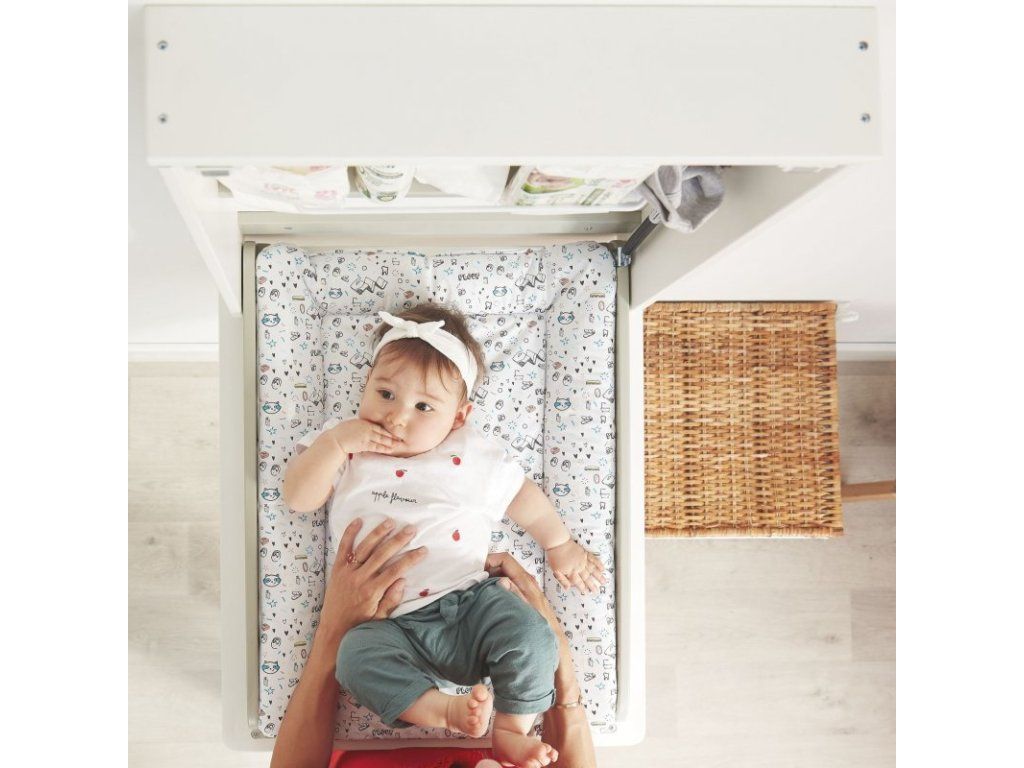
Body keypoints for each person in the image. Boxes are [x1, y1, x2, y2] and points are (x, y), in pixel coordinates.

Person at [283, 303, 606, 767]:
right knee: (354, 657)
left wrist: (560, 544)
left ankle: (511, 729)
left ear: (458, 417)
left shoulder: (471, 453)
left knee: (533, 638)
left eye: (423, 407)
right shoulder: (346, 443)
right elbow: (299, 497)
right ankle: (442, 709)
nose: (396, 417)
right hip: (389, 623)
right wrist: (334, 444)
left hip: (469, 604)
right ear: (365, 385)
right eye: (385, 394)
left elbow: (522, 496)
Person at [269, 518, 598, 768]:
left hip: (389, 652)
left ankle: (449, 710)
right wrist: (549, 642)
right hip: (477, 653)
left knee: (355, 654)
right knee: (533, 640)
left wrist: (334, 630)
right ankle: (504, 728)